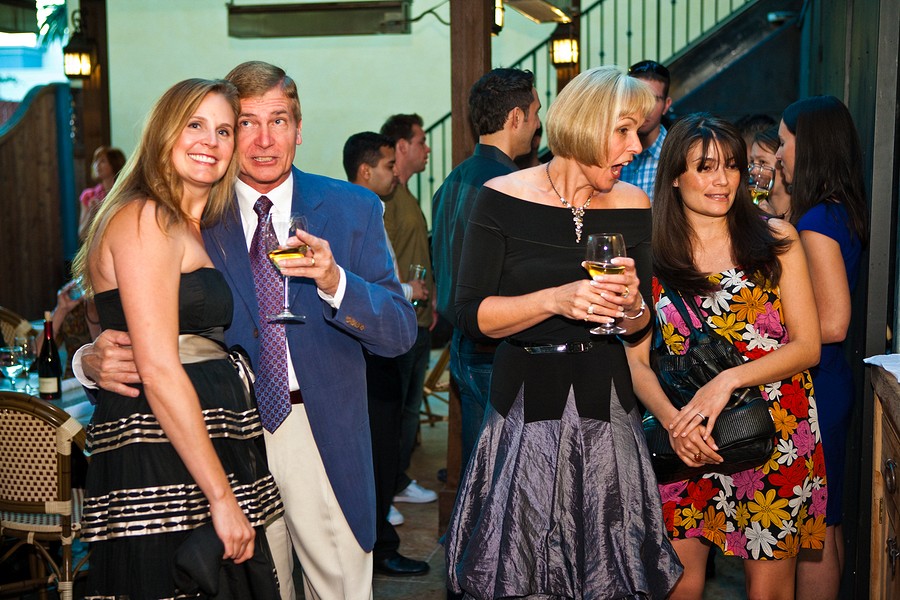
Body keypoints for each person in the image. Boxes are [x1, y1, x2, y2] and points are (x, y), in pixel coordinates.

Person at [76, 62, 418, 600]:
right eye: (246, 123)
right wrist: (89, 358)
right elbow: (118, 308)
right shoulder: (191, 214)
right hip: (218, 437)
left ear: (299, 130)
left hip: (318, 430)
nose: (262, 140)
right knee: (252, 585)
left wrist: (336, 282)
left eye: (278, 121)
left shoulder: (352, 208)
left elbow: (399, 331)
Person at [444, 66, 682, 599]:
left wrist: (634, 308)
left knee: (609, 571)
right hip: (525, 406)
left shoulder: (634, 204)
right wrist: (555, 300)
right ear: (584, 124)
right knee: (520, 566)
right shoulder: (501, 196)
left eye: (638, 132)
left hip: (607, 407)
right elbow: (469, 314)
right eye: (623, 131)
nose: (636, 147)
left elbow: (640, 329)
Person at [71, 78, 283, 598]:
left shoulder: (191, 223)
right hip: (162, 450)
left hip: (197, 443)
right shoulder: (148, 216)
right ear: (165, 132)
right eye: (195, 125)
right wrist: (222, 498)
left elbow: (109, 325)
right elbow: (160, 369)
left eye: (224, 130)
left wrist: (92, 354)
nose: (211, 141)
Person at [627, 113, 827, 600]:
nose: (722, 180)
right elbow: (636, 362)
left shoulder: (775, 239)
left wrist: (727, 381)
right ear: (675, 176)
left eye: (731, 166)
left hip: (775, 428)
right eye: (705, 167)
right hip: (686, 435)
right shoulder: (650, 252)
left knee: (768, 591)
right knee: (678, 584)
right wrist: (674, 423)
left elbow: (808, 346)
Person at [776, 96, 869, 600]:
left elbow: (832, 323)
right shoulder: (834, 210)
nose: (778, 154)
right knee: (825, 526)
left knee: (813, 534)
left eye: (783, 142)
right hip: (829, 382)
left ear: (807, 146)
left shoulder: (816, 223)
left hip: (817, 387)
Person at [431, 67, 541, 476]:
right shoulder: (513, 187)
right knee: (509, 480)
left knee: (478, 474)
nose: (538, 124)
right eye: (535, 113)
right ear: (516, 117)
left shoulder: (452, 180)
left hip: (462, 346)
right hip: (500, 350)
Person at [342, 130, 430, 576]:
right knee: (377, 444)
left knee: (388, 436)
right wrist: (404, 291)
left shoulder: (374, 209)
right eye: (387, 166)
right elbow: (362, 285)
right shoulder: (354, 215)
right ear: (365, 171)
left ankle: (378, 538)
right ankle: (378, 545)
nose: (395, 173)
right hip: (371, 347)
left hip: (384, 341)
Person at [378, 114, 439, 509]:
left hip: (417, 316)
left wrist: (431, 302)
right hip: (399, 319)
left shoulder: (406, 195)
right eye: (420, 141)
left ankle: (398, 479)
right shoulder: (386, 200)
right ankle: (390, 487)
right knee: (397, 410)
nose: (427, 148)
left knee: (409, 408)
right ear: (402, 147)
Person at [620, 59, 673, 202]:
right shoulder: (608, 153)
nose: (646, 107)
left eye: (654, 99)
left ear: (666, 105)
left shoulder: (677, 155)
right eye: (637, 97)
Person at [77, 145, 127, 239]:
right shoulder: (89, 196)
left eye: (103, 161)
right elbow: (82, 234)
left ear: (114, 164)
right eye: (96, 161)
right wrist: (92, 213)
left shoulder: (125, 194)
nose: (97, 165)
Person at [750, 126, 791, 218]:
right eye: (752, 162)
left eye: (762, 162)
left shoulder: (810, 217)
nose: (753, 171)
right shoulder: (748, 212)